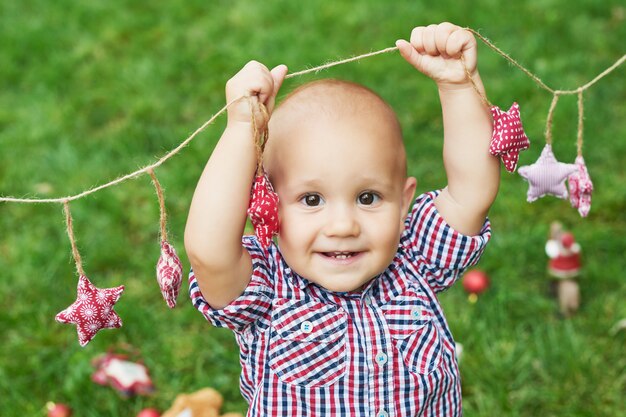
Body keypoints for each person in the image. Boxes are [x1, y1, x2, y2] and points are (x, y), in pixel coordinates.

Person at [184, 22, 500, 417]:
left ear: (403, 204)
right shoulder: (266, 287)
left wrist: (457, 87)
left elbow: (472, 194)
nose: (343, 226)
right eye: (311, 199)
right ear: (269, 206)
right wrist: (242, 128)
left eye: (368, 198)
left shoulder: (414, 257)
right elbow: (208, 251)